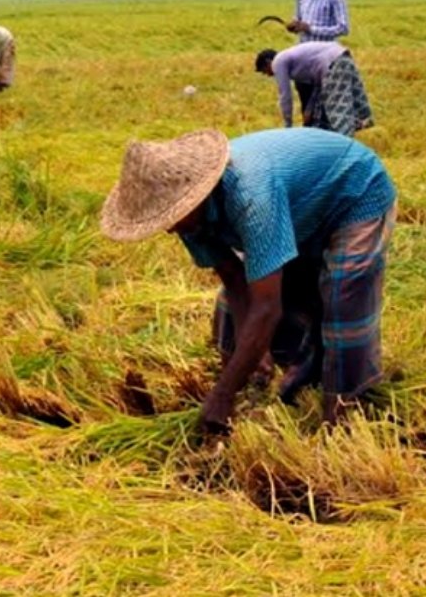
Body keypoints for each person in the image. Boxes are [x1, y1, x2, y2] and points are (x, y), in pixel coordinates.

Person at [101, 128, 396, 432]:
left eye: (170, 217)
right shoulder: (188, 221)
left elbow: (267, 308)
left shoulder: (251, 195)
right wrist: (254, 352)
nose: (169, 229)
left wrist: (223, 394)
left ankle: (344, 413)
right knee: (233, 305)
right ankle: (299, 370)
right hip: (301, 209)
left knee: (341, 295)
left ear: (194, 198)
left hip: (355, 192)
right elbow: (234, 280)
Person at [255, 43, 373, 137]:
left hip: (333, 63)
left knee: (337, 107)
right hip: (342, 56)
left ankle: (345, 145)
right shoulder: (295, 61)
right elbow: (317, 85)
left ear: (268, 62)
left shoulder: (278, 62)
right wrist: (309, 110)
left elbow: (285, 96)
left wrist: (288, 126)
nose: (269, 75)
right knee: (333, 104)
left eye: (265, 72)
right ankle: (353, 128)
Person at [289, 0, 350, 116]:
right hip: (303, 59)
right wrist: (294, 25)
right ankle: (309, 136)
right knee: (306, 105)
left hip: (325, 60)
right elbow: (298, 20)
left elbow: (343, 28)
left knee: (326, 106)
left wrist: (311, 29)